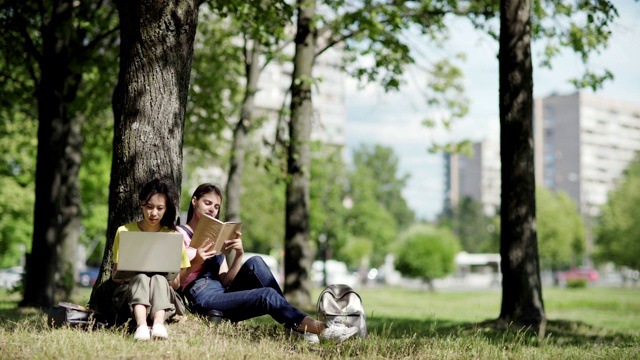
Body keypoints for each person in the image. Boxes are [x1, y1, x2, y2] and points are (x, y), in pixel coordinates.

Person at [177, 183, 359, 344]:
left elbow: (225, 281)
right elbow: (176, 281)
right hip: (201, 297)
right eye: (207, 203)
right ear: (194, 201)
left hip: (221, 292)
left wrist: (239, 254)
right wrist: (196, 260)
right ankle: (322, 329)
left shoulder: (215, 234)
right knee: (266, 295)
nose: (212, 210)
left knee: (256, 261)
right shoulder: (180, 234)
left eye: (216, 206)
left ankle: (295, 325)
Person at [111, 178, 191, 341]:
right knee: (140, 277)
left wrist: (162, 276)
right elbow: (115, 275)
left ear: (166, 208)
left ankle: (158, 325)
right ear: (141, 204)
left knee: (158, 279)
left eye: (159, 208)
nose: (154, 213)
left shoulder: (174, 236)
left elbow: (176, 284)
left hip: (163, 293)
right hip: (131, 295)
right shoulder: (124, 231)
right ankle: (141, 326)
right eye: (149, 207)